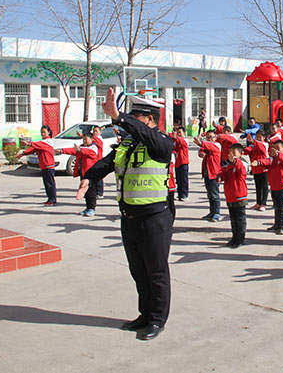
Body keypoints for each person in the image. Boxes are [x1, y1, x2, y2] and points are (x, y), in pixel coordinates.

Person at [80, 92, 173, 340]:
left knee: (156, 272)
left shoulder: (162, 143)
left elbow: (148, 137)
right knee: (139, 271)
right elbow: (106, 163)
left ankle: (157, 319)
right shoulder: (127, 145)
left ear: (150, 121)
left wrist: (119, 117)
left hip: (154, 217)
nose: (130, 121)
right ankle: (144, 314)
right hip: (129, 217)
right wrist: (89, 178)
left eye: (136, 117)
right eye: (130, 116)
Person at [253, 139, 283, 235]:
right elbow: (266, 161)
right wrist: (258, 163)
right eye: (274, 148)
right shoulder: (272, 159)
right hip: (274, 187)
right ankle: (277, 224)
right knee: (277, 207)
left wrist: (277, 154)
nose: (275, 150)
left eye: (278, 148)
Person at [58, 133, 99, 216]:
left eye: (86, 139)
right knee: (85, 191)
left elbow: (88, 152)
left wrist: (80, 150)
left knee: (91, 192)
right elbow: (73, 151)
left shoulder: (94, 148)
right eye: (83, 139)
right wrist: (62, 150)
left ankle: (92, 208)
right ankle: (87, 207)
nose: (84, 141)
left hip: (91, 174)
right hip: (83, 173)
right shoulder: (82, 147)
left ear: (91, 139)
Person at [217, 143, 248, 248]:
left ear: (241, 153)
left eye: (234, 152)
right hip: (230, 196)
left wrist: (234, 161)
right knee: (233, 219)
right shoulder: (228, 165)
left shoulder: (242, 163)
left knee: (240, 219)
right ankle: (234, 237)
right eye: (230, 152)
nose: (231, 154)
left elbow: (241, 170)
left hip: (239, 195)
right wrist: (220, 176)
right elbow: (223, 171)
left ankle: (240, 238)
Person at [16, 125, 57, 205]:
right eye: (41, 132)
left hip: (49, 166)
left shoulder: (48, 141)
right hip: (44, 166)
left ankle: (52, 199)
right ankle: (50, 199)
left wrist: (28, 143)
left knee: (50, 184)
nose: (43, 134)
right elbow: (34, 149)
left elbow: (37, 144)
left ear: (48, 132)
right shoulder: (43, 142)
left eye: (44, 132)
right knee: (47, 184)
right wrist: (23, 153)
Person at [194, 130, 222, 222]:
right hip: (207, 173)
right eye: (208, 137)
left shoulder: (217, 145)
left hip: (214, 174)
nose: (210, 139)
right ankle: (212, 212)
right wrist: (201, 151)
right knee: (210, 194)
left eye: (211, 137)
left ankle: (217, 213)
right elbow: (201, 151)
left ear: (215, 137)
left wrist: (201, 143)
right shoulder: (206, 146)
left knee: (215, 195)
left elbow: (210, 146)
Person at [244, 130, 269, 211]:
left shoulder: (265, 144)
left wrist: (253, 141)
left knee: (264, 187)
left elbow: (260, 146)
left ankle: (263, 203)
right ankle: (258, 203)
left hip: (263, 168)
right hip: (255, 169)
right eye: (257, 136)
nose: (258, 138)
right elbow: (248, 150)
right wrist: (240, 151)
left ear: (264, 138)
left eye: (260, 137)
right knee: (258, 187)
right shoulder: (254, 144)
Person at [172, 126, 189, 201]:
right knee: (178, 180)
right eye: (177, 132)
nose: (178, 134)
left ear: (184, 133)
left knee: (184, 180)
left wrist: (175, 137)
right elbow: (174, 148)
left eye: (180, 132)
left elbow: (183, 143)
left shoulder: (185, 140)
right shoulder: (176, 141)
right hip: (177, 163)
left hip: (184, 162)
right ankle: (179, 195)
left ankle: (184, 195)